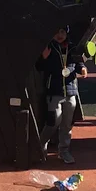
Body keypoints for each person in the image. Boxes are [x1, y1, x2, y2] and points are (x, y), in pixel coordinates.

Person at [36, 26, 87, 164]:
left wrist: (82, 68)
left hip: (70, 91)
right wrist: (43, 58)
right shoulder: (48, 47)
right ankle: (40, 146)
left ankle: (64, 151)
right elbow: (39, 67)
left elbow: (77, 62)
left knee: (67, 124)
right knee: (53, 121)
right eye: (57, 31)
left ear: (67, 33)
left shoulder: (71, 47)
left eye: (62, 32)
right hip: (54, 91)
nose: (60, 35)